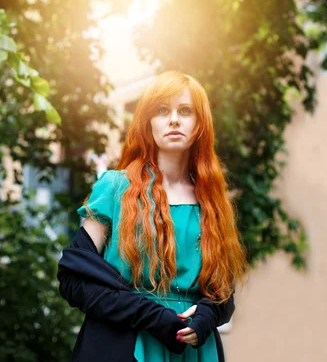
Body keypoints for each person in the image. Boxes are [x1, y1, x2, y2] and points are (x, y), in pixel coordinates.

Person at [60, 70, 248, 361]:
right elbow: (74, 277)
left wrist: (209, 314)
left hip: (193, 350)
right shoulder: (115, 188)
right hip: (123, 341)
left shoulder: (212, 201)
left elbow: (224, 292)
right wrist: (148, 313)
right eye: (162, 111)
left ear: (199, 124)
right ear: (148, 123)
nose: (174, 119)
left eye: (185, 111)